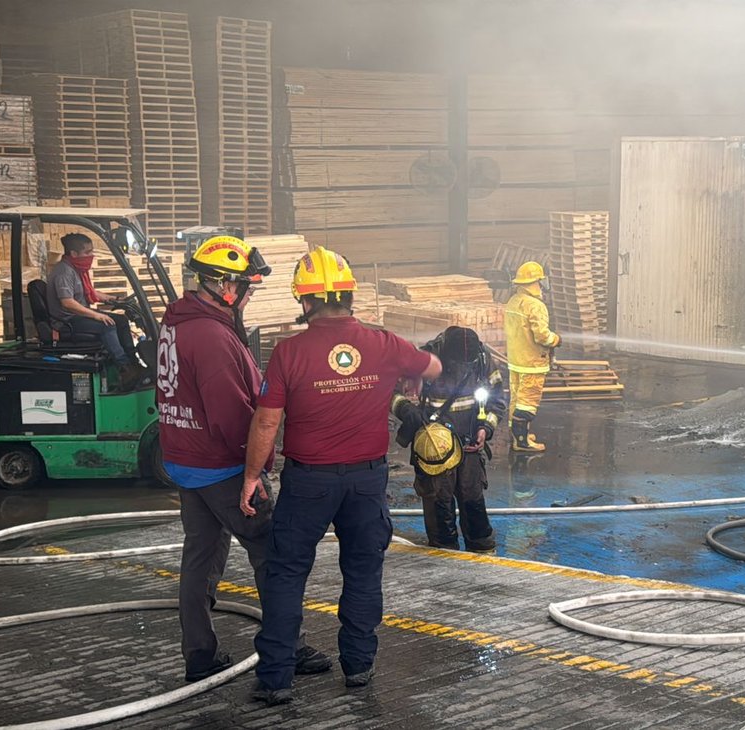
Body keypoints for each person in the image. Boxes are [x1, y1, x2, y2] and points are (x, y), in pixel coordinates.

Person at [241, 246, 442, 705]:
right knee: (363, 571)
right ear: (348, 295)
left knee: (288, 574)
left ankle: (275, 680)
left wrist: (252, 475)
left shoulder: (289, 352)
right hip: (366, 483)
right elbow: (433, 366)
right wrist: (412, 377)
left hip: (308, 482)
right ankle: (358, 667)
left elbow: (267, 422)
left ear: (305, 301)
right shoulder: (384, 344)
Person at [157, 235, 331, 682]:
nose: (250, 294)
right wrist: (256, 469)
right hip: (224, 467)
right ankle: (286, 649)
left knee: (200, 557)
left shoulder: (177, 322)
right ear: (223, 286)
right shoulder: (213, 336)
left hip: (185, 459)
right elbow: (235, 416)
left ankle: (198, 654)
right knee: (271, 554)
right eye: (247, 287)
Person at [392, 326, 507, 552]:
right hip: (435, 450)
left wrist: (485, 429)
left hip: (469, 445)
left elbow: (497, 400)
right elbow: (388, 390)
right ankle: (444, 554)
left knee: (473, 500)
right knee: (438, 504)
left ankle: (483, 553)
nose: (461, 369)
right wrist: (405, 408)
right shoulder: (424, 360)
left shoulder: (482, 360)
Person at [47, 232, 143, 386]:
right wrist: (96, 316)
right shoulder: (64, 272)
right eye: (87, 252)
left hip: (77, 316)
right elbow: (68, 302)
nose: (91, 255)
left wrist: (115, 299)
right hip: (67, 321)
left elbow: (89, 292)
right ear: (73, 253)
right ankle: (124, 368)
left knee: (122, 320)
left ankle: (133, 362)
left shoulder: (77, 270)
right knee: (107, 324)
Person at [504, 261, 561, 452]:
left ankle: (518, 433)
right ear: (537, 282)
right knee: (528, 401)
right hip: (532, 363)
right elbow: (542, 336)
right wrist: (556, 340)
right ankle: (522, 442)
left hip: (515, 361)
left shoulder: (513, 301)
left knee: (516, 399)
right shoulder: (535, 306)